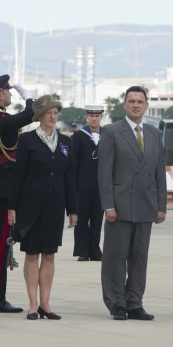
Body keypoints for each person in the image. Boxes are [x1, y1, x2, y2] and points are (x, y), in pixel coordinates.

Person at [98, 86, 166, 321]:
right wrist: (108, 206)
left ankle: (134, 302)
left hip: (146, 205)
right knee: (116, 257)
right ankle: (116, 302)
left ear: (146, 105)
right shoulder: (111, 131)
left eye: (140, 101)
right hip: (120, 205)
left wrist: (161, 206)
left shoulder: (154, 133)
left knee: (139, 256)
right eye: (131, 101)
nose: (136, 105)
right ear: (124, 105)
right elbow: (104, 173)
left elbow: (159, 172)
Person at [8, 95, 78, 320]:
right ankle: (32, 304)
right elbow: (18, 177)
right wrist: (12, 207)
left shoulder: (66, 142)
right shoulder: (27, 140)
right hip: (30, 206)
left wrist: (73, 209)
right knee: (32, 254)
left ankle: (46, 304)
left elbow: (70, 178)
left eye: (56, 112)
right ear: (40, 115)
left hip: (55, 207)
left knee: (49, 255)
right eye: (49, 112)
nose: (53, 116)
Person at [0, 74, 35, 313]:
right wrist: (30, 99)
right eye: (9, 92)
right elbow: (30, 115)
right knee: (1, 245)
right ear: (0, 95)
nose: (11, 95)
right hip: (5, 188)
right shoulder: (1, 119)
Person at [71, 105, 104, 262]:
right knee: (82, 219)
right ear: (87, 117)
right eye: (91, 116)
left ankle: (95, 250)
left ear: (101, 117)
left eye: (97, 116)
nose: (94, 118)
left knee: (97, 219)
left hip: (101, 185)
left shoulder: (107, 135)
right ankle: (82, 251)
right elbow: (72, 161)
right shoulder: (79, 136)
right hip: (82, 185)